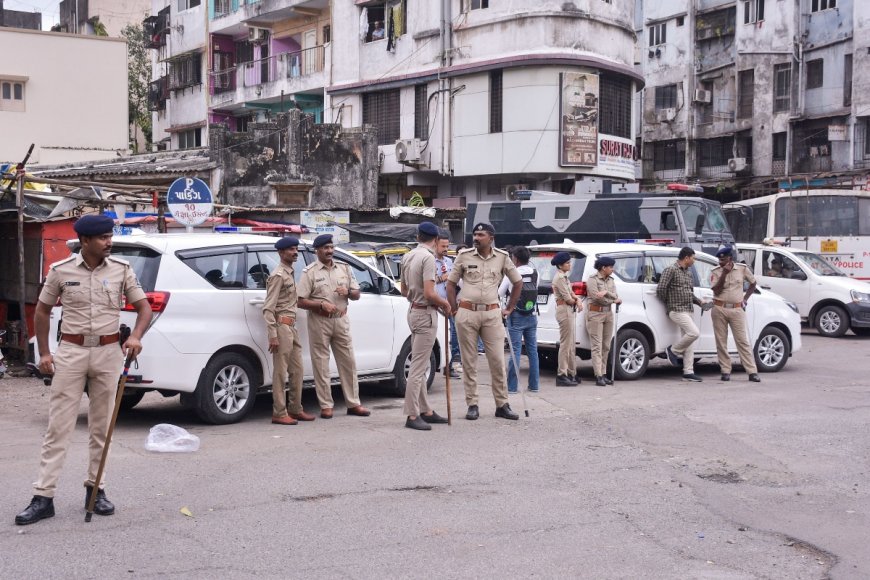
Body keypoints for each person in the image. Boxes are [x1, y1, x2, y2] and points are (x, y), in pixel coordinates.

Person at [15, 214, 153, 526]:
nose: (109, 242)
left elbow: (144, 308)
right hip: (72, 352)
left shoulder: (122, 270)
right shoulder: (60, 271)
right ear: (86, 242)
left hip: (108, 353)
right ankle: (43, 496)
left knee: (102, 427)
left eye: (109, 236)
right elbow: (42, 310)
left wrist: (134, 336)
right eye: (103, 237)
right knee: (58, 427)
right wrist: (45, 353)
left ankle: (96, 490)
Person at [446, 223, 522, 421]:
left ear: (491, 237)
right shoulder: (464, 256)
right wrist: (454, 309)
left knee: (497, 360)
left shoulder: (502, 257)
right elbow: (451, 284)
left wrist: (510, 308)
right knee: (469, 362)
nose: (476, 237)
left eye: (481, 234)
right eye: (475, 234)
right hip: (467, 313)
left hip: (492, 314)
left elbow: (518, 281)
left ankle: (502, 404)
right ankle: (472, 404)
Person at [297, 234, 371, 419]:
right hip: (319, 321)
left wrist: (348, 292)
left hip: (341, 319)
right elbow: (300, 301)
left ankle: (353, 403)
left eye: (331, 247)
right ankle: (326, 405)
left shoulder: (344, 268)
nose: (329, 251)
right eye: (325, 248)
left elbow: (356, 294)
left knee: (348, 362)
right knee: (321, 364)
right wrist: (320, 305)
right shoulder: (310, 272)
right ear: (317, 250)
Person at [399, 223, 452, 430]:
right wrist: (445, 303)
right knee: (418, 367)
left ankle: (425, 410)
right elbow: (431, 293)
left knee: (419, 365)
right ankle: (412, 415)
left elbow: (404, 290)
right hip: (425, 312)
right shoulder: (428, 257)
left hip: (414, 310)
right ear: (436, 239)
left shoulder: (408, 255)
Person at [263, 237, 316, 426]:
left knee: (297, 370)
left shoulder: (290, 272)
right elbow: (268, 308)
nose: (295, 252)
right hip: (282, 326)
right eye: (290, 249)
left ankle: (295, 409)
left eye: (296, 249)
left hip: (291, 326)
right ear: (281, 252)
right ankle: (279, 412)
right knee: (280, 372)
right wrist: (273, 334)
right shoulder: (278, 275)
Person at [656, 246, 709, 382]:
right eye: (693, 258)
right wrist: (669, 303)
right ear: (686, 258)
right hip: (677, 309)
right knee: (694, 333)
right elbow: (661, 288)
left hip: (688, 309)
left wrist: (699, 302)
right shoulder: (671, 270)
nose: (694, 261)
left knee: (689, 341)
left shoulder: (688, 272)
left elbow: (689, 293)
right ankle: (672, 351)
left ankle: (688, 371)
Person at [710, 246, 761, 383]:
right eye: (719, 260)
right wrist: (724, 274)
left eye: (723, 259)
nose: (721, 262)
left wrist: (745, 299)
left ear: (730, 259)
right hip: (719, 308)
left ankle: (752, 372)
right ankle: (725, 371)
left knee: (742, 341)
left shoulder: (742, 269)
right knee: (721, 342)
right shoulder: (716, 271)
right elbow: (716, 290)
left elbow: (753, 283)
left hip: (737, 309)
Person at [498, 246, 540, 393]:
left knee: (515, 350)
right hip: (532, 314)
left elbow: (500, 293)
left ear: (515, 258)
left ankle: (512, 387)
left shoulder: (511, 273)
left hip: (515, 314)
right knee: (532, 351)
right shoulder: (535, 273)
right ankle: (534, 385)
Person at [586, 256, 622, 387]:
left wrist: (607, 292)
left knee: (606, 345)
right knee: (597, 345)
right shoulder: (592, 279)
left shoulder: (611, 280)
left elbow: (616, 295)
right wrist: (612, 299)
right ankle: (598, 375)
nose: (612, 269)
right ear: (603, 268)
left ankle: (604, 372)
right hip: (595, 313)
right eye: (611, 267)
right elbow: (597, 297)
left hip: (608, 314)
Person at [550, 252, 581, 386]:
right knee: (565, 344)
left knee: (570, 344)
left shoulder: (564, 277)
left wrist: (577, 298)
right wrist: (577, 301)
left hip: (568, 310)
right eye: (567, 263)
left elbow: (572, 294)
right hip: (564, 310)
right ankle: (562, 374)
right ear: (560, 265)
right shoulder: (559, 278)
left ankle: (571, 372)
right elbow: (568, 298)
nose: (570, 264)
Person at [434, 232, 461, 378]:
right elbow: (428, 282)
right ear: (435, 244)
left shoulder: (449, 262)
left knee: (451, 336)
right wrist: (441, 278)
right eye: (443, 246)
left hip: (448, 304)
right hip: (435, 304)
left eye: (447, 246)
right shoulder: (429, 261)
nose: (445, 248)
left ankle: (449, 365)